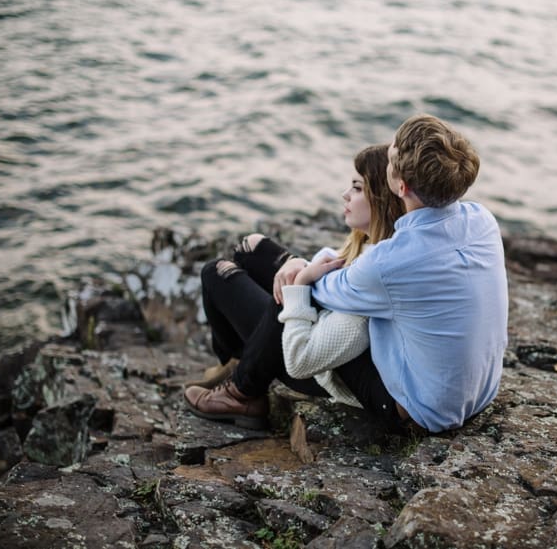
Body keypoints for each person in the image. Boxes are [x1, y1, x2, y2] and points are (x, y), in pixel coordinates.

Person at [279, 114, 509, 433]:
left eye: (391, 158)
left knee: (287, 302)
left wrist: (304, 272)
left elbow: (327, 288)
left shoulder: (391, 261)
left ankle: (243, 388)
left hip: (420, 411)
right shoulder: (482, 220)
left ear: (399, 185)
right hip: (479, 395)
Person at [183, 144, 405, 429]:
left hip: (315, 363)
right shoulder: (370, 244)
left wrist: (298, 286)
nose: (345, 195)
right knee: (250, 247)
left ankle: (242, 391)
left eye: (357, 188)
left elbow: (309, 354)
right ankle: (240, 359)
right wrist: (296, 263)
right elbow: (332, 266)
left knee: (215, 273)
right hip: (319, 323)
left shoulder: (374, 271)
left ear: (382, 198)